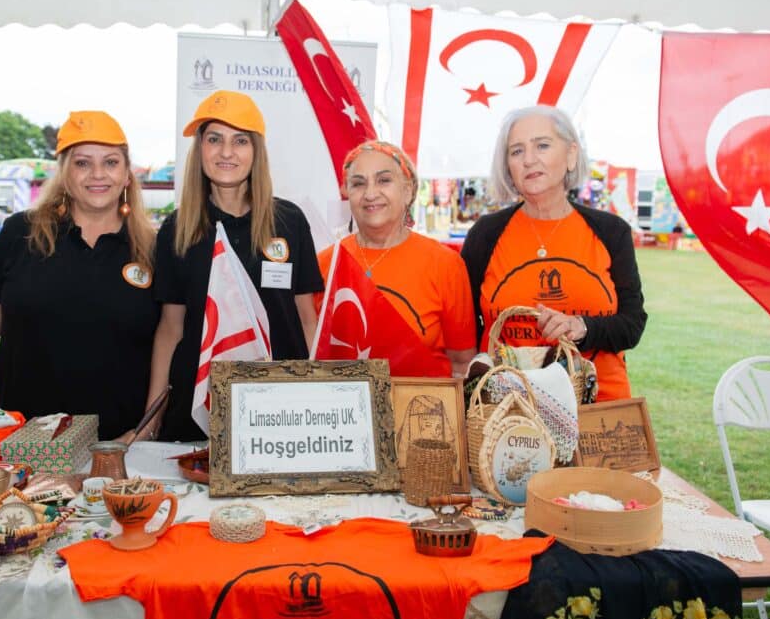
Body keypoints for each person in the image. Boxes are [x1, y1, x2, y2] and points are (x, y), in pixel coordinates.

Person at [0, 111, 159, 441]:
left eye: (111, 162)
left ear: (127, 175)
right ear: (65, 174)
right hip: (27, 439)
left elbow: (168, 341)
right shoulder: (21, 233)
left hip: (117, 446)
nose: (98, 174)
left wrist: (145, 429)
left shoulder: (152, 249)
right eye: (82, 163)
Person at [149, 90, 323, 441]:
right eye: (214, 139)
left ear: (256, 151)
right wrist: (151, 416)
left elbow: (307, 318)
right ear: (200, 150)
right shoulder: (177, 229)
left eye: (240, 141)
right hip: (197, 409)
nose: (226, 152)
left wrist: (316, 397)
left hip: (279, 409)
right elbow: (170, 329)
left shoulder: (288, 220)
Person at [461, 105, 646, 401]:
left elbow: (633, 325)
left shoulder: (611, 232)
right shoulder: (486, 234)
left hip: (600, 411)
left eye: (542, 145)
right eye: (516, 151)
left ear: (571, 154)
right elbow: (465, 327)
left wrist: (582, 326)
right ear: (507, 165)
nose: (529, 159)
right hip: (511, 414)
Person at [317, 141, 476, 377]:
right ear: (346, 193)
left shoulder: (445, 264)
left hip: (422, 410)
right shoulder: (324, 265)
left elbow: (462, 364)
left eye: (384, 180)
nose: (370, 194)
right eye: (358, 184)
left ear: (408, 190)